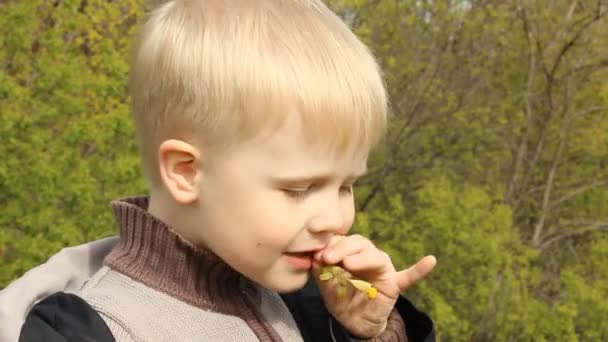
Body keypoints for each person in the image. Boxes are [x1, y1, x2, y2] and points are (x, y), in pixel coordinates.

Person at [3, 0, 437, 340]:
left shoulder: (311, 307)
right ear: (187, 172)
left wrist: (371, 332)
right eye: (300, 188)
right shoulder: (95, 330)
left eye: (345, 186)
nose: (336, 219)